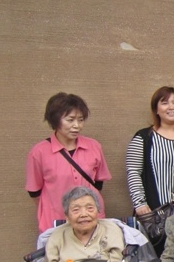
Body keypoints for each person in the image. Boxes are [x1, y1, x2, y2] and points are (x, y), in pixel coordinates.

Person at [26, 93, 111, 234]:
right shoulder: (39, 152)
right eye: (70, 120)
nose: (76, 126)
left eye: (81, 120)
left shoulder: (94, 146)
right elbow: (34, 191)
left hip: (91, 220)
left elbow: (98, 183)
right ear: (55, 120)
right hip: (55, 221)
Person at [125, 86, 174, 254]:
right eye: (164, 103)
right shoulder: (143, 138)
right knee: (153, 260)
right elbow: (133, 171)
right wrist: (140, 204)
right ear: (156, 109)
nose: (171, 107)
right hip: (152, 216)